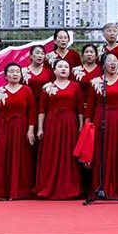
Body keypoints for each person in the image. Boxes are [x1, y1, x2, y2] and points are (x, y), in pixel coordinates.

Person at [85, 52, 118, 199]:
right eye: (109, 61)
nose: (113, 63)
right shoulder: (96, 82)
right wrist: (87, 122)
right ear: (103, 64)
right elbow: (91, 104)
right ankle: (101, 186)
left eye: (115, 61)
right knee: (102, 151)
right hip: (101, 117)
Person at [34, 59, 84, 199]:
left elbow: (80, 108)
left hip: (70, 123)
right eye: (60, 66)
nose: (63, 69)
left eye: (66, 67)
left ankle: (70, 188)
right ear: (54, 70)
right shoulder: (47, 87)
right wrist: (40, 128)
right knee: (51, 153)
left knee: (69, 154)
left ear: (70, 71)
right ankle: (48, 187)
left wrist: (81, 125)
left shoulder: (75, 86)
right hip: (52, 123)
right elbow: (42, 110)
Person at [0, 63, 36, 200]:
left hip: (21, 127)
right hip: (4, 128)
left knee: (20, 158)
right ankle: (2, 191)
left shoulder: (26, 90)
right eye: (12, 71)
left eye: (17, 72)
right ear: (5, 75)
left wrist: (30, 130)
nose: (15, 74)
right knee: (2, 158)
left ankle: (19, 191)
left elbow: (32, 111)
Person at [22, 45, 54, 118]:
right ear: (31, 56)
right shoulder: (23, 72)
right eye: (37, 53)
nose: (40, 55)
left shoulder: (49, 72)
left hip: (44, 106)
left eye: (42, 53)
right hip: (27, 106)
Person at [72, 44, 103, 110]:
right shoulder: (76, 71)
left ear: (96, 55)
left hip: (97, 106)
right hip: (79, 105)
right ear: (82, 55)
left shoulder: (102, 71)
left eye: (91, 52)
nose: (89, 54)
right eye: (86, 52)